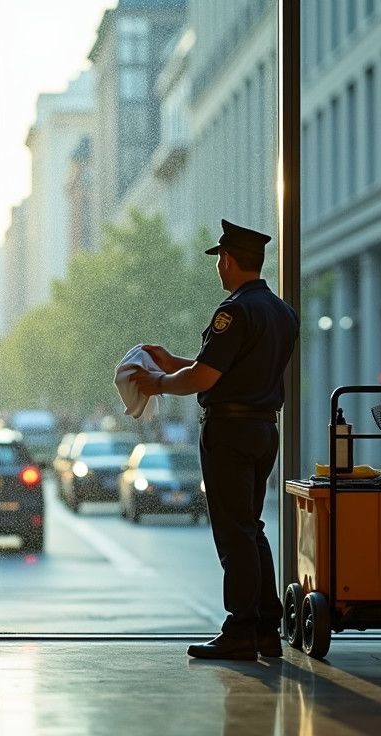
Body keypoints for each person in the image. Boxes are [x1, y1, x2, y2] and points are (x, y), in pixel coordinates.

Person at [134, 219, 299, 661]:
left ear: (227, 260)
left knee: (233, 533)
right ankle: (266, 625)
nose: (218, 268)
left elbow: (206, 377)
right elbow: (231, 370)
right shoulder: (282, 311)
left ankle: (240, 629)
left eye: (219, 260)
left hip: (229, 432)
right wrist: (176, 363)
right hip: (264, 428)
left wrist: (158, 382)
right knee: (251, 527)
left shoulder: (235, 311)